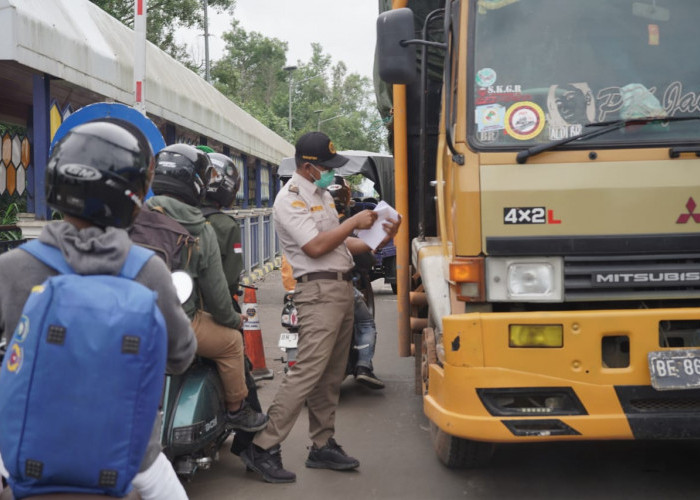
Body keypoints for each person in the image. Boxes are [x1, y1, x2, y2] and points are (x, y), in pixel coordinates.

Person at [0, 120, 197, 499]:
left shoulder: (12, 267)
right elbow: (181, 356)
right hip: (131, 459)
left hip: (23, 450)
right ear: (132, 196)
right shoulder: (148, 270)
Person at [240, 131, 400, 483]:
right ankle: (263, 446)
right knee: (306, 372)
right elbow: (314, 247)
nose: (331, 173)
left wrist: (382, 235)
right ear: (309, 167)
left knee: (330, 374)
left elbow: (343, 248)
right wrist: (352, 223)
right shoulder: (291, 198)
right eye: (326, 167)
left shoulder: (323, 196)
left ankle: (322, 443)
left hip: (342, 288)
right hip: (317, 292)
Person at [146, 143, 267, 432]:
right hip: (180, 322)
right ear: (197, 182)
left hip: (130, 318)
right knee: (231, 342)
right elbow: (217, 294)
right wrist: (232, 320)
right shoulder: (201, 228)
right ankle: (237, 409)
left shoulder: (133, 217)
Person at [196, 148, 263, 456]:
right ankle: (253, 450)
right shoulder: (225, 225)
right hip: (213, 313)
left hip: (178, 312)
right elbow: (229, 278)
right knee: (245, 383)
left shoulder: (175, 218)